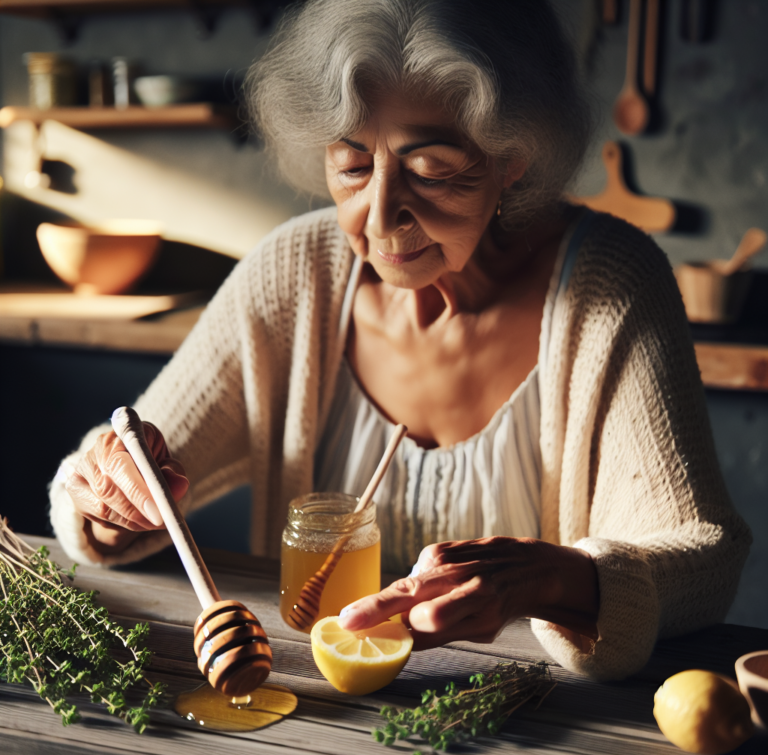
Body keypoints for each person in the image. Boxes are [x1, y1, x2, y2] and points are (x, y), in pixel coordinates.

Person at [49, 0, 751, 681]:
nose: (381, 217)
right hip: (316, 710)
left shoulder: (610, 284)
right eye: (352, 165)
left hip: (524, 726)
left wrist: (554, 577)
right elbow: (132, 486)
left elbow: (706, 560)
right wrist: (107, 502)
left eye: (432, 168)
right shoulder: (294, 272)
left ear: (514, 157)